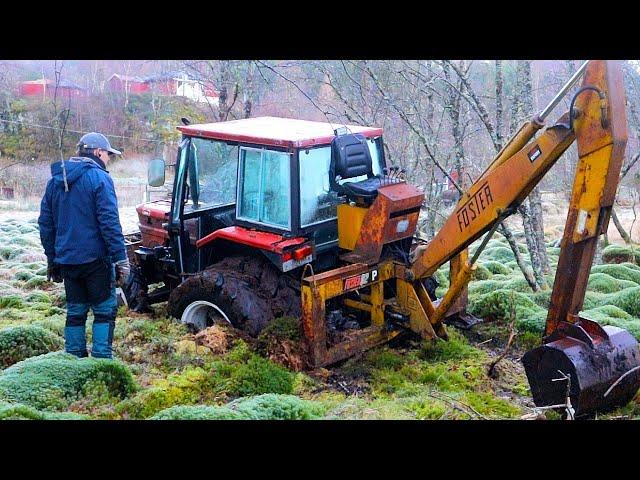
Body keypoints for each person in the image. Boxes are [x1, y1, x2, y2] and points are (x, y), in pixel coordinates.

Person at [38, 132, 131, 359]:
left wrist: (52, 259)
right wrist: (121, 258)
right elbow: (109, 223)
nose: (108, 159)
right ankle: (101, 361)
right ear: (98, 152)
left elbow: (45, 225)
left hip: (67, 260)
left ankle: (74, 359)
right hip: (95, 260)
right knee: (104, 311)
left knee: (76, 311)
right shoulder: (100, 179)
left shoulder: (55, 181)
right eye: (108, 154)